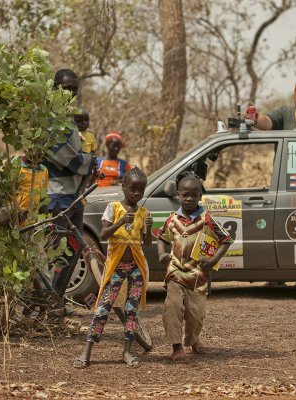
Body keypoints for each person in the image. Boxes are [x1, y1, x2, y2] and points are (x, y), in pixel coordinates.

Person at [73, 167, 153, 369]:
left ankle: (127, 351)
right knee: (103, 308)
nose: (137, 194)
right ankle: (86, 351)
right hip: (117, 267)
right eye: (133, 189)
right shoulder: (114, 207)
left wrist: (149, 228)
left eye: (141, 190)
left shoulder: (143, 213)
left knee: (131, 310)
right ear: (123, 187)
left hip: (136, 267)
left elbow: (147, 243)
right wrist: (120, 221)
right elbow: (103, 235)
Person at [157, 173, 233, 362]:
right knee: (172, 307)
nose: (189, 199)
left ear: (200, 196)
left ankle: (192, 340)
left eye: (194, 195)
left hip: (198, 274)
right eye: (185, 195)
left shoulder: (207, 219)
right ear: (178, 194)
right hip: (175, 271)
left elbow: (226, 240)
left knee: (195, 314)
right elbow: (161, 237)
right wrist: (161, 254)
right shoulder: (172, 219)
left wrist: (213, 260)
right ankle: (176, 346)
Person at [42, 68, 94, 296]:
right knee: (57, 251)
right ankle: (48, 301)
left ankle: (58, 301)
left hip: (74, 197)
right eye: (65, 88)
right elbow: (70, 160)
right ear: (55, 88)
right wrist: (92, 161)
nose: (70, 93)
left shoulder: (68, 119)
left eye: (74, 89)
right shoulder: (49, 122)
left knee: (72, 251)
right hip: (57, 197)